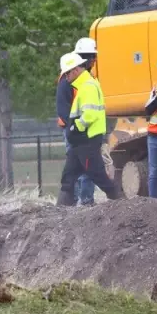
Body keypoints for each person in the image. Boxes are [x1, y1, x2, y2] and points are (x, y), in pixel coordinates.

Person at [56, 52, 121, 206]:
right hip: (81, 141)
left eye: (67, 73)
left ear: (75, 70)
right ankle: (60, 210)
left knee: (97, 174)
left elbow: (90, 115)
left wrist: (74, 127)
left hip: (87, 139)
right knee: (68, 175)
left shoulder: (87, 87)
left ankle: (120, 202)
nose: (65, 78)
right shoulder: (85, 85)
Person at [55, 37, 98, 205]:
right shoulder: (68, 77)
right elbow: (62, 106)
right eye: (92, 57)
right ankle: (81, 202)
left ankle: (83, 201)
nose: (94, 60)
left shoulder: (88, 77)